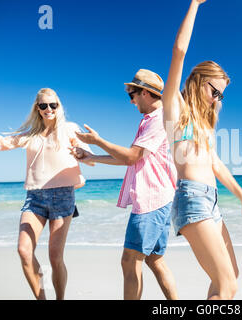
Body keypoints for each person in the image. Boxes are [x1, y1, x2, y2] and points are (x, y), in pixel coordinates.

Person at [162, 0, 242, 300]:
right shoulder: (175, 107)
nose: (216, 100)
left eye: (220, 96)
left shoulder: (204, 123)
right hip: (191, 199)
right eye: (213, 91)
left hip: (211, 202)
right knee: (227, 284)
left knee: (230, 278)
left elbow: (215, 164)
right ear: (197, 80)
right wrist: (195, 5)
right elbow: (178, 52)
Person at [72, 69, 178, 300]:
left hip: (151, 200)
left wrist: (98, 141)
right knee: (154, 259)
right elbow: (132, 159)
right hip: (160, 199)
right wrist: (91, 157)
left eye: (132, 94)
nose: (130, 101)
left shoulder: (157, 121)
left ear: (146, 93)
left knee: (130, 261)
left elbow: (131, 157)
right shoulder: (151, 120)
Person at [0, 88, 93, 300]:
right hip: (35, 198)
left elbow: (92, 158)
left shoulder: (69, 130)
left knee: (55, 256)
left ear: (58, 106)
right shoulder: (30, 135)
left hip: (63, 196)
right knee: (24, 250)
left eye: (52, 105)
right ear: (37, 108)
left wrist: (82, 154)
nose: (48, 109)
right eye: (43, 105)